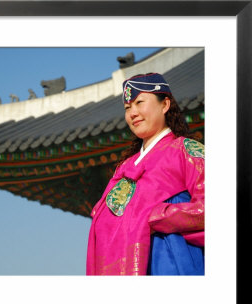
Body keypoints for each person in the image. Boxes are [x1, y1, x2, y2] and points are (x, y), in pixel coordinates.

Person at [86, 73, 204, 275]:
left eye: (140, 102)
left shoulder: (187, 151)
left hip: (167, 264)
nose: (133, 113)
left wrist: (157, 215)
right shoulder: (123, 168)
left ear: (165, 104)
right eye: (127, 107)